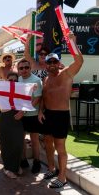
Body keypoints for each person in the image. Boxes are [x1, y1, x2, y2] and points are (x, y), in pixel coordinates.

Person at [38, 33, 84, 188]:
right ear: (46, 64)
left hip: (61, 115)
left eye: (54, 61)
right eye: (48, 61)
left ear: (58, 63)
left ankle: (62, 176)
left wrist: (73, 42)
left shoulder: (66, 74)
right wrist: (40, 111)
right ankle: (51, 168)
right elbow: (44, 96)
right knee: (48, 144)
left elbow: (79, 61)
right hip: (48, 115)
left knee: (60, 147)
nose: (51, 63)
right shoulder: (45, 79)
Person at [17, 59, 43, 174]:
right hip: (22, 115)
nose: (24, 70)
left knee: (34, 140)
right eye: (21, 68)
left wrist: (24, 111)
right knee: (21, 138)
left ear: (30, 68)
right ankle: (23, 160)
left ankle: (37, 162)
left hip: (32, 114)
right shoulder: (19, 79)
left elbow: (38, 98)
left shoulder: (36, 80)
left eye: (26, 67)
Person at [0, 72, 24, 179]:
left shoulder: (21, 90)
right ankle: (7, 168)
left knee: (18, 143)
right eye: (10, 80)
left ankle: (16, 166)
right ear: (7, 81)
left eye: (15, 80)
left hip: (18, 117)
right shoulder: (2, 91)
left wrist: (22, 112)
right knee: (6, 144)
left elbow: (26, 102)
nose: (12, 82)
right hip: (5, 118)